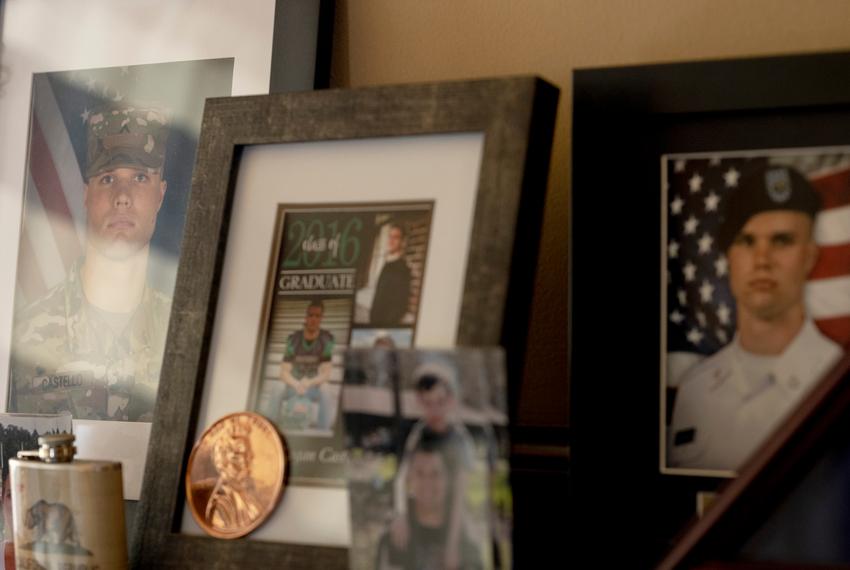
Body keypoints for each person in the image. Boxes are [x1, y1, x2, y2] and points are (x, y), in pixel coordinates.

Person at [669, 164, 843, 471]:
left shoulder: (838, 386)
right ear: (728, 257)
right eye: (746, 241)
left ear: (810, 256)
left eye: (781, 241)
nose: (762, 260)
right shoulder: (694, 391)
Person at [9, 105, 172, 422]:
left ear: (161, 194)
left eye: (140, 177)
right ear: (86, 195)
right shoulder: (24, 336)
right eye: (108, 178)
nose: (122, 197)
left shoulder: (185, 335)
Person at [390, 360, 476, 570]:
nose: (434, 410)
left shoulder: (460, 439)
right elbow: (402, 477)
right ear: (419, 401)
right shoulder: (418, 433)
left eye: (440, 401)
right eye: (427, 403)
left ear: (451, 399)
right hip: (423, 510)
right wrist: (400, 514)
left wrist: (452, 545)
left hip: (453, 516)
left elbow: (460, 494)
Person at [377, 437, 482, 570]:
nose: (427, 483)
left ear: (448, 480)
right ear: (410, 478)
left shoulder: (466, 543)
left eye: (435, 474)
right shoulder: (395, 538)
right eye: (420, 473)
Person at [258, 299, 335, 430]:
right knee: (277, 387)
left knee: (327, 389)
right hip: (292, 385)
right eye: (310, 315)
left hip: (312, 387)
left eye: (317, 316)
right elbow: (283, 372)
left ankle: (323, 432)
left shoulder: (326, 339)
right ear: (306, 317)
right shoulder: (293, 339)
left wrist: (309, 382)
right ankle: (270, 430)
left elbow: (326, 374)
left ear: (321, 318)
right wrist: (296, 383)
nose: (313, 319)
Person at [205, 419, 262, 531]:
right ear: (228, 460)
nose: (250, 457)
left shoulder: (247, 496)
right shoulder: (220, 506)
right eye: (243, 452)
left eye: (249, 452)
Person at [369, 223, 413, 326]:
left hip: (384, 324)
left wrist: (384, 325)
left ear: (402, 242)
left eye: (396, 237)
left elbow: (400, 305)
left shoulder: (403, 269)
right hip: (374, 321)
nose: (391, 241)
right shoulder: (388, 263)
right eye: (390, 237)